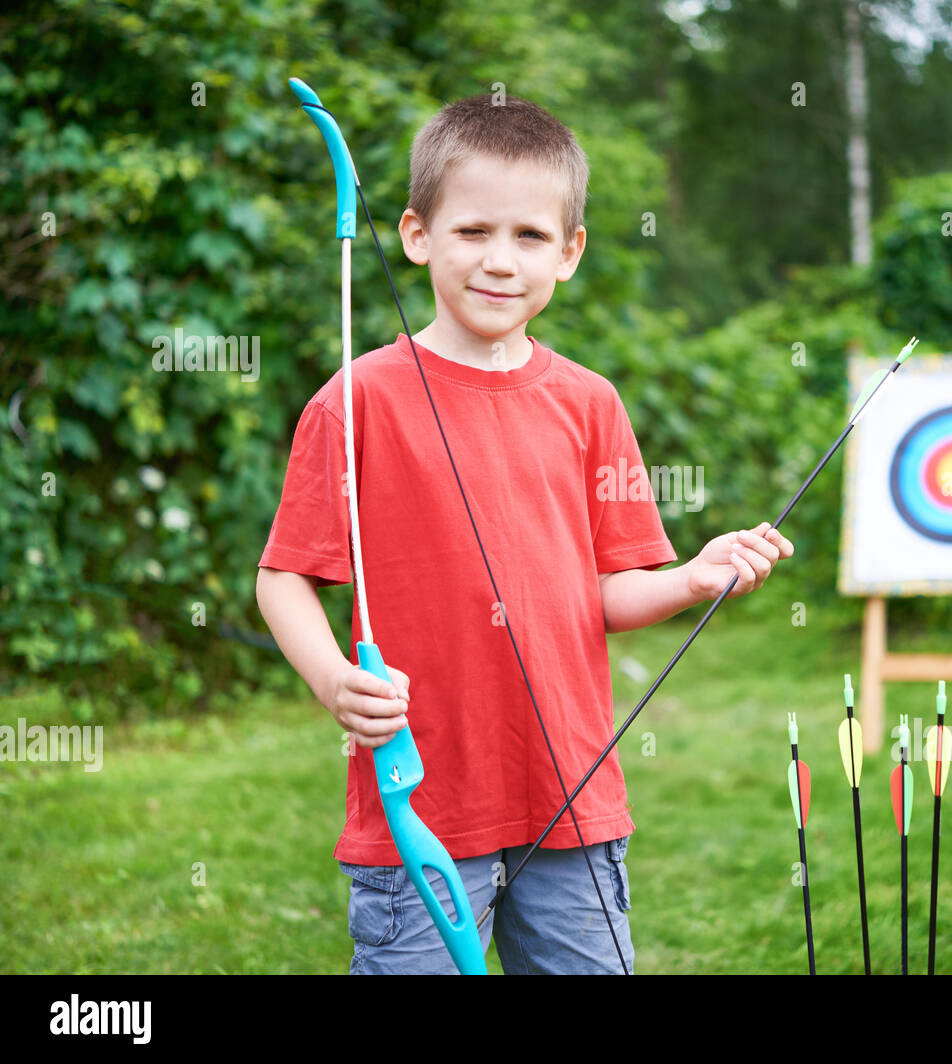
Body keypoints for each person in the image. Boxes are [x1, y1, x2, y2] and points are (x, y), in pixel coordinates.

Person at [255, 92, 793, 975]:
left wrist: (694, 577)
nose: (500, 262)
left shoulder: (590, 403)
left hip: (572, 804)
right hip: (418, 804)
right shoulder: (355, 402)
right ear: (417, 235)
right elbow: (284, 578)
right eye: (472, 232)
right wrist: (333, 679)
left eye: (530, 237)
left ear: (571, 252)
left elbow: (606, 595)